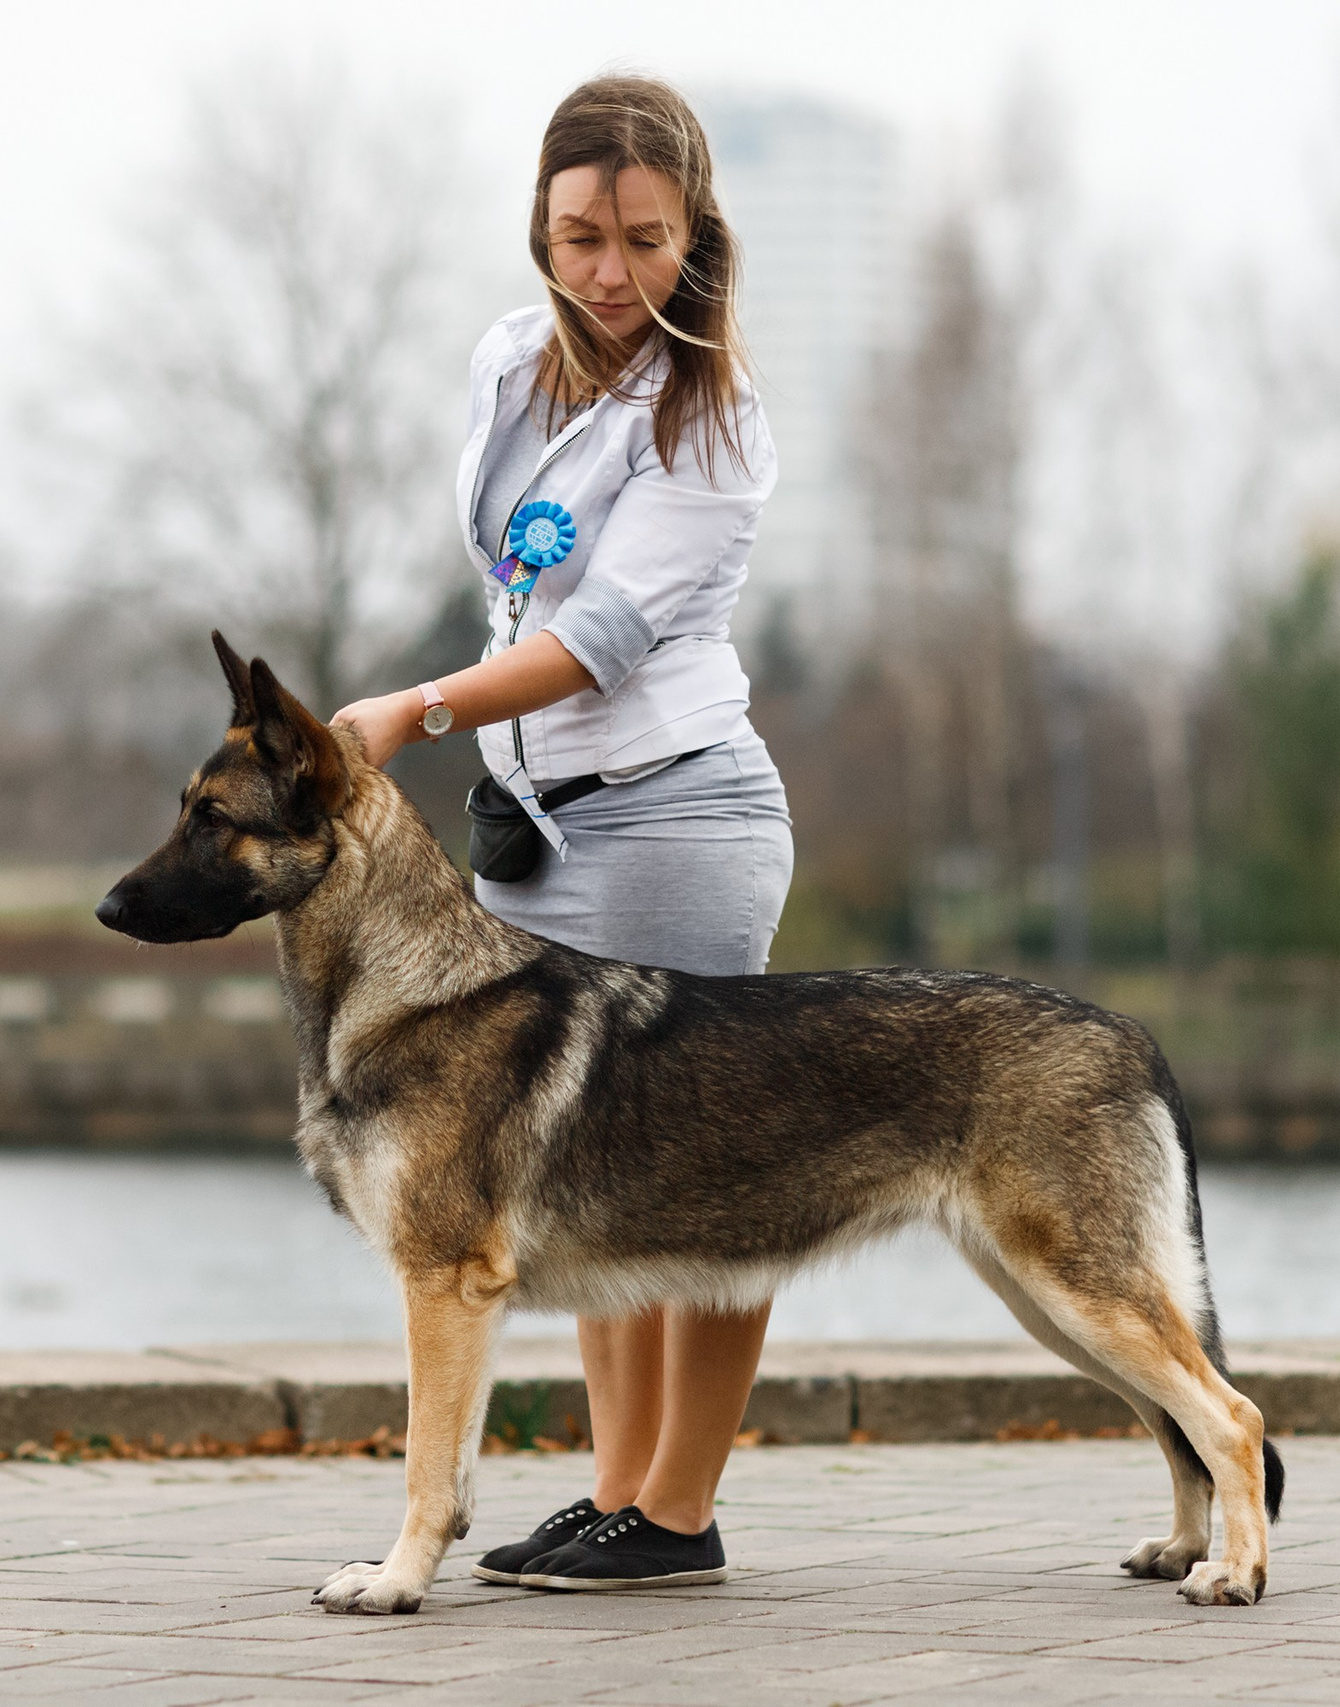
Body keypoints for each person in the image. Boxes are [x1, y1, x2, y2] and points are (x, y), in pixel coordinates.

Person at [332, 74, 791, 1592]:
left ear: (694, 232)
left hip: (682, 816)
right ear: (539, 222)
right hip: (549, 829)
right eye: (581, 235)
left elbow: (595, 635)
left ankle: (680, 1508)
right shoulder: (510, 362)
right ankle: (614, 1494)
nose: (611, 273)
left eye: (646, 240)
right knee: (583, 1169)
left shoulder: (712, 420)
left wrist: (421, 709)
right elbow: (509, 576)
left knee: (719, 1175)